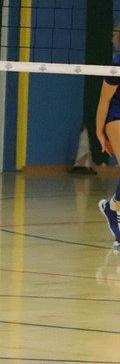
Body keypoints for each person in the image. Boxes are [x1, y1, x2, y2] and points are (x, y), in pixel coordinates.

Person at [96, 24, 120, 248]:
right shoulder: (117, 64)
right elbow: (104, 101)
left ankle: (111, 207)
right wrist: (99, 131)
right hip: (116, 117)